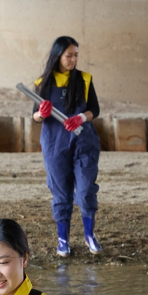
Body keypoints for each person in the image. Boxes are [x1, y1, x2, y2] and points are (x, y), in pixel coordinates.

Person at [33, 36, 102, 257]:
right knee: (61, 192)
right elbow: (35, 117)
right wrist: (41, 114)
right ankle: (63, 241)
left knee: (85, 190)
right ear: (58, 56)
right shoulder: (42, 83)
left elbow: (95, 110)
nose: (73, 60)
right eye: (69, 55)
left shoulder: (84, 79)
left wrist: (81, 117)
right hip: (55, 144)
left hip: (83, 142)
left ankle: (89, 236)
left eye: (76, 55)